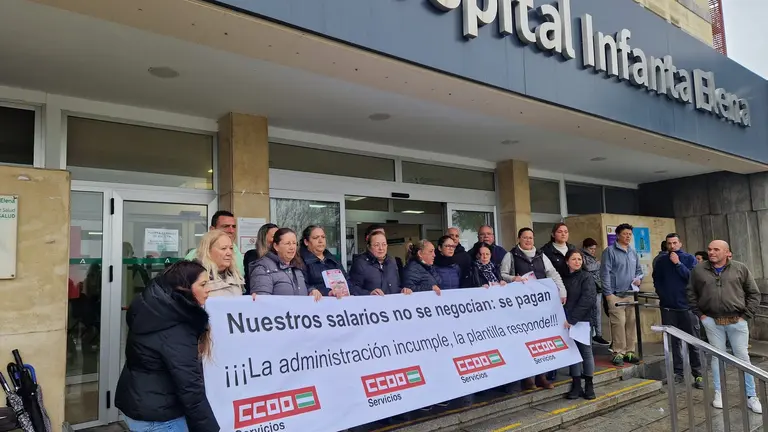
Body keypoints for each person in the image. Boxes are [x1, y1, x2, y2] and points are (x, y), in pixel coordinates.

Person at [115, 260, 219, 432]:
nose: (209, 289)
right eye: (203, 284)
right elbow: (189, 386)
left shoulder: (155, 310)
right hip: (160, 417)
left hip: (140, 404)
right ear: (184, 288)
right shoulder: (176, 328)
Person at [687, 240, 762, 413]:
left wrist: (745, 316)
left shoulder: (740, 268)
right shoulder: (698, 270)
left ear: (727, 252)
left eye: (716, 249)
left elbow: (754, 293)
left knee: (743, 357)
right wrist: (702, 316)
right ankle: (719, 394)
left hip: (737, 321)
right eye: (709, 249)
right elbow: (690, 294)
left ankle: (751, 396)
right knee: (716, 357)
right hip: (712, 321)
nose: (711, 252)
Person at [499, 227, 565, 389]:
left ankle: (541, 376)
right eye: (525, 237)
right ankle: (528, 378)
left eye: (531, 238)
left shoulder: (541, 256)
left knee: (540, 341)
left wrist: (562, 291)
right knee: (525, 342)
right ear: (519, 238)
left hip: (540, 306)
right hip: (520, 308)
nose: (528, 240)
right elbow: (502, 275)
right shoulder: (511, 255)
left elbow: (553, 274)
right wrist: (514, 278)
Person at [653, 233, 703, 389]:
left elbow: (693, 279)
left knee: (693, 341)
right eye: (669, 243)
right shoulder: (661, 261)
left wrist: (678, 264)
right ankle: (678, 373)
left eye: (675, 243)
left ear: (680, 243)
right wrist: (663, 295)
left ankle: (698, 374)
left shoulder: (689, 259)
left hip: (687, 307)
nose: (672, 246)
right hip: (669, 307)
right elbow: (657, 280)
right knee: (672, 343)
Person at [600, 223, 644, 366]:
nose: (628, 237)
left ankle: (630, 352)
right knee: (618, 324)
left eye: (630, 234)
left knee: (631, 323)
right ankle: (618, 352)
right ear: (618, 235)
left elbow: (639, 270)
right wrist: (608, 294)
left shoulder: (633, 252)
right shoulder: (610, 251)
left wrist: (639, 279)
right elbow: (605, 273)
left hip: (631, 294)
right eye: (625, 234)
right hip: (615, 294)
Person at [562, 250, 597, 401]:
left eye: (579, 259)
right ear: (567, 261)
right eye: (574, 259)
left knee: (585, 352)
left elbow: (588, 299)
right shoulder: (563, 278)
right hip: (567, 321)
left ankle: (589, 384)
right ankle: (576, 384)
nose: (577, 262)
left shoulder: (586, 277)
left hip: (582, 321)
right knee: (572, 352)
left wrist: (573, 319)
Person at [249, 228, 322, 300]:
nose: (292, 247)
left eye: (294, 243)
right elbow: (262, 301)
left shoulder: (297, 266)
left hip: (298, 312)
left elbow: (304, 287)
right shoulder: (263, 267)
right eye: (287, 243)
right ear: (276, 246)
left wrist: (311, 291)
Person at [349, 231, 410, 296]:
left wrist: (402, 290)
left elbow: (396, 285)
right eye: (376, 245)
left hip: (392, 304)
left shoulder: (392, 261)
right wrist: (369, 294)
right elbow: (352, 289)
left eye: (384, 244)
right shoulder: (360, 263)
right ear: (369, 247)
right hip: (371, 305)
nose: (381, 248)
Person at [300, 225, 353, 298]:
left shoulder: (333, 260)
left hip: (341, 302)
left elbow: (347, 282)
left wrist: (368, 293)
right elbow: (304, 286)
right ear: (306, 242)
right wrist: (327, 292)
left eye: (323, 237)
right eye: (316, 238)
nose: (320, 241)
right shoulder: (301, 261)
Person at [186, 210, 244, 275]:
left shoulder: (238, 253)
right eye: (225, 226)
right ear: (212, 229)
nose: (231, 230)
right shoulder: (195, 255)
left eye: (233, 226)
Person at [195, 229, 244, 297]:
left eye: (231, 248)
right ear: (208, 251)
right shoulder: (195, 278)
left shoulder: (236, 277)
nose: (229, 253)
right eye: (223, 248)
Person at [581, 238, 609, 346]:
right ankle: (594, 335)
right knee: (592, 313)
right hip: (590, 288)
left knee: (597, 313)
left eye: (594, 249)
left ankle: (598, 334)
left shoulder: (594, 258)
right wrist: (599, 264)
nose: (593, 251)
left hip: (598, 287)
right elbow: (587, 267)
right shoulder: (582, 256)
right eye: (590, 249)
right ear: (585, 248)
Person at [243, 223, 278, 294]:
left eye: (279, 238)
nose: (277, 240)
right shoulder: (252, 255)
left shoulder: (282, 259)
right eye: (274, 237)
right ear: (263, 238)